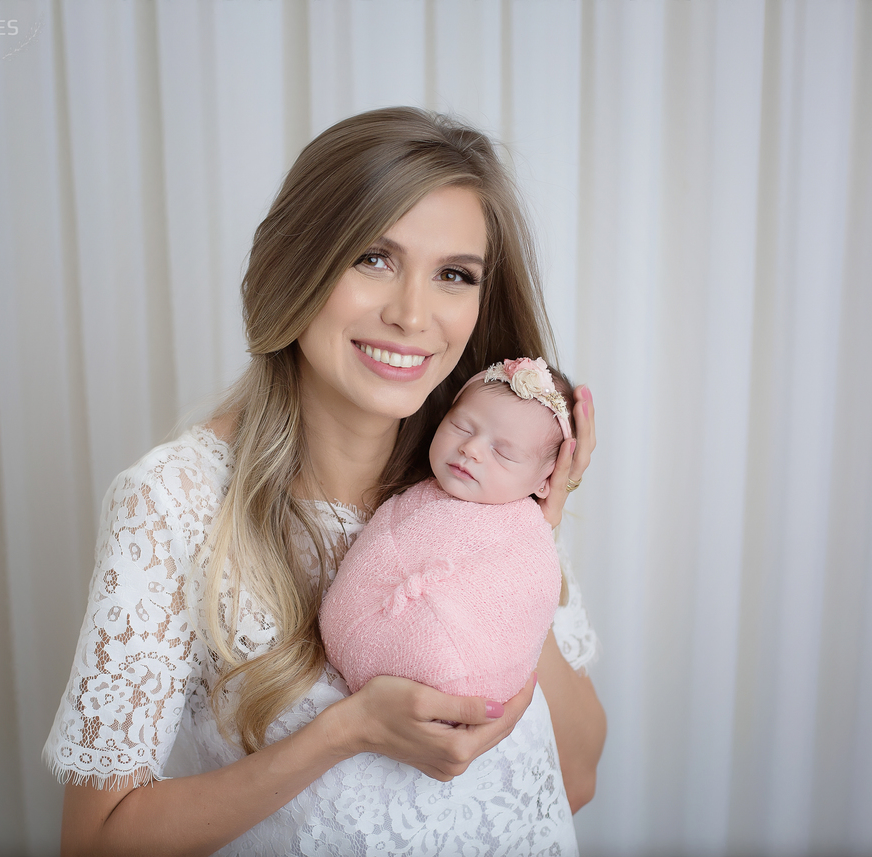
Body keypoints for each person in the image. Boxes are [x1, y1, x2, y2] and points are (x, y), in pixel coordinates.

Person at [44, 106, 606, 857]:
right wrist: (347, 731)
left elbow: (576, 776)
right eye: (373, 258)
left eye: (453, 275)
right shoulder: (174, 503)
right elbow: (95, 841)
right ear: (298, 263)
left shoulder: (484, 477)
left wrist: (527, 541)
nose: (412, 315)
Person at [320, 358, 577, 704]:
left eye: (502, 453)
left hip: (450, 671)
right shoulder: (416, 495)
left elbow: (519, 606)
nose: (471, 448)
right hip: (360, 635)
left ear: (546, 481)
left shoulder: (526, 543)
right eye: (462, 427)